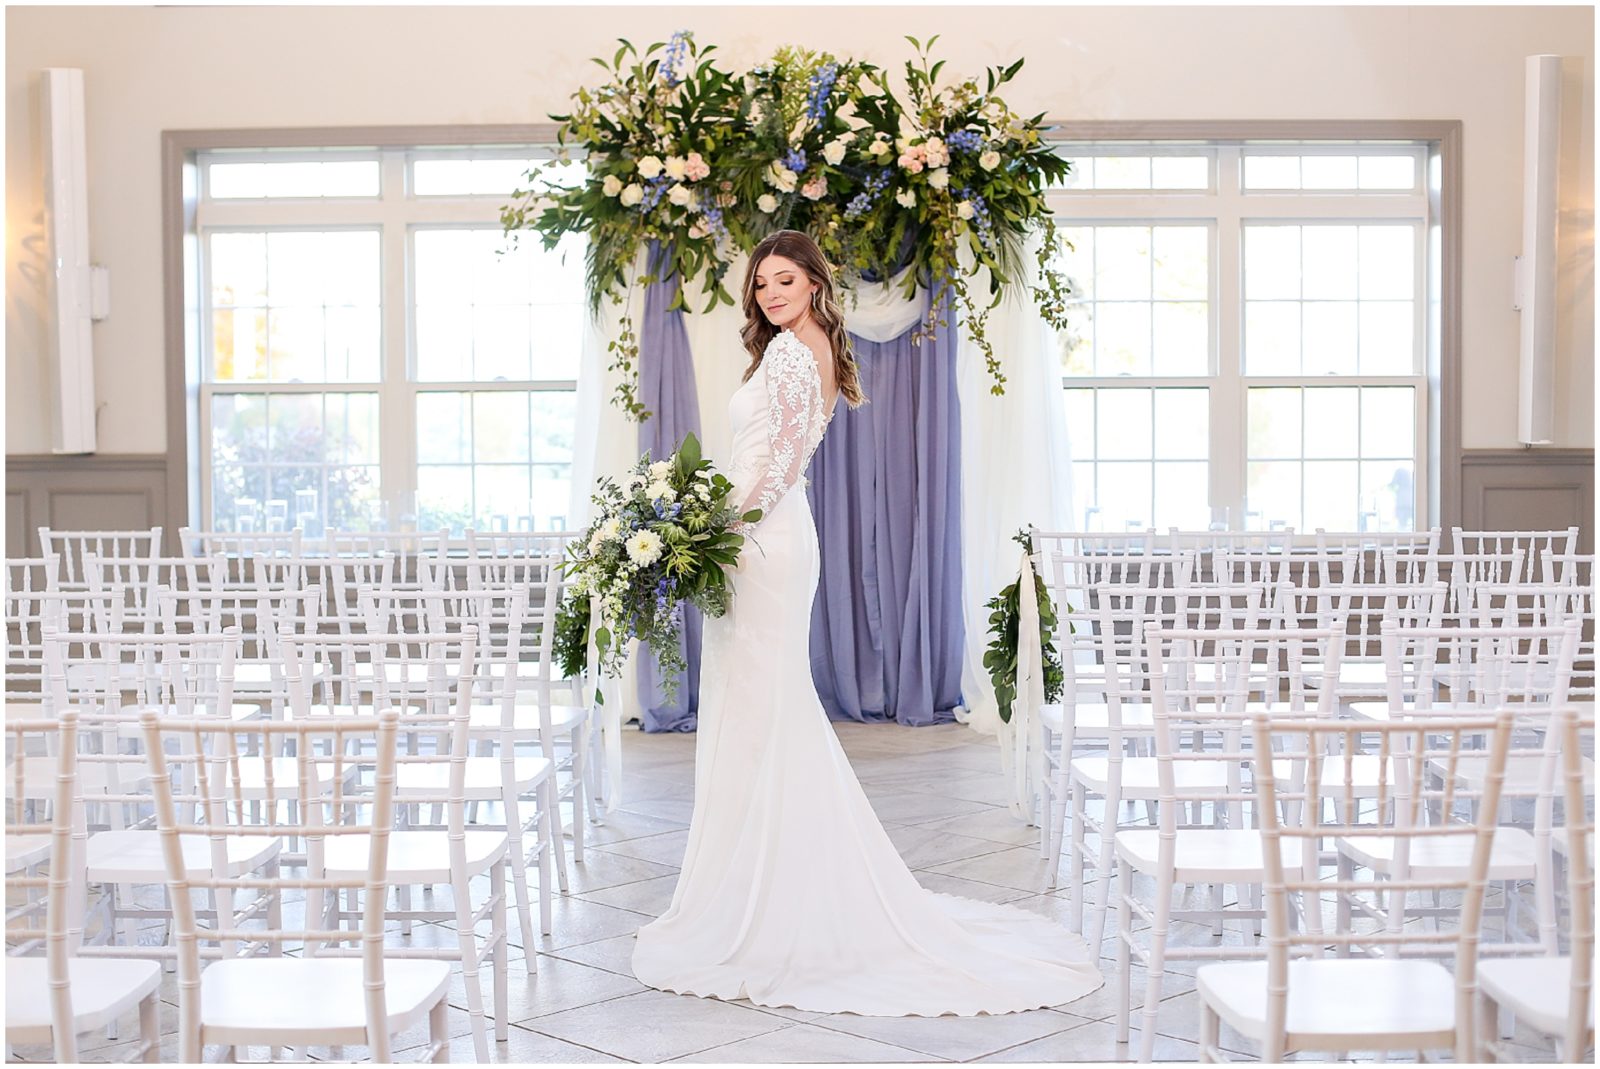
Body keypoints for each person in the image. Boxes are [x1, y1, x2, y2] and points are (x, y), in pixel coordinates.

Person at [631, 229, 1102, 1015]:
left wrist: (712, 532)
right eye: (761, 283)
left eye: (784, 280)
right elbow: (772, 460)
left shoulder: (790, 352)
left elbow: (776, 466)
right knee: (764, 711)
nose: (769, 293)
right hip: (770, 534)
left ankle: (770, 900)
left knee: (763, 711)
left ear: (815, 282)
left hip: (761, 539)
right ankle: (768, 880)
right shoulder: (804, 345)